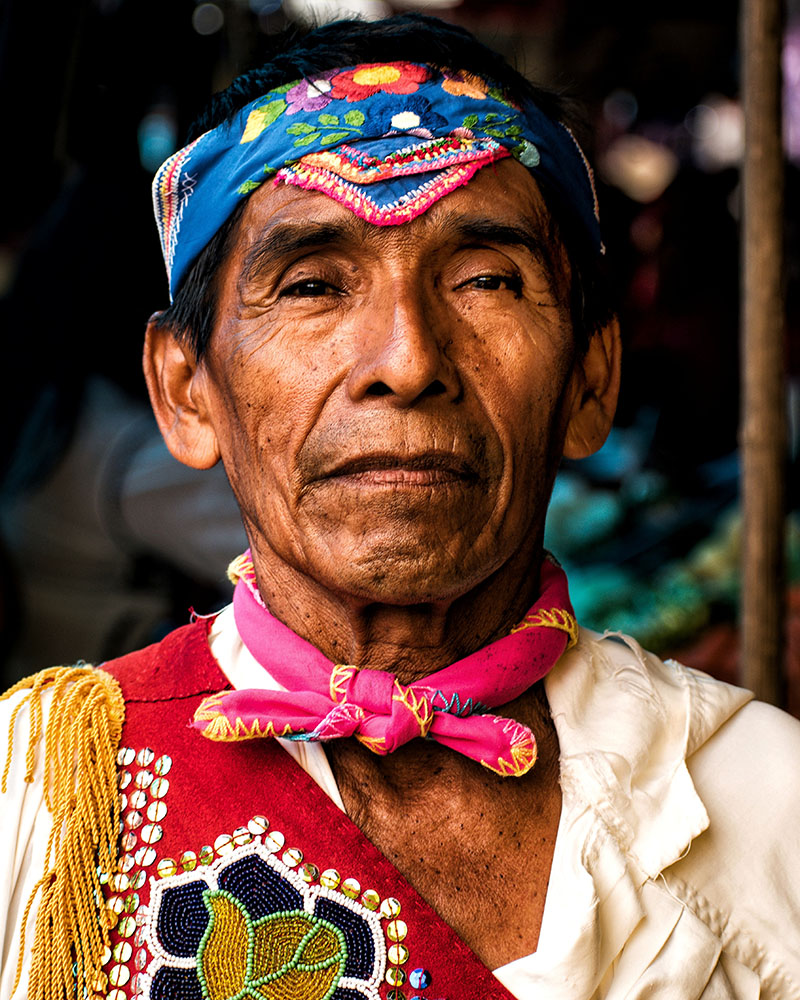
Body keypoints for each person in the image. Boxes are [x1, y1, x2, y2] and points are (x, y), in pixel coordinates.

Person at [2, 13, 799, 1000]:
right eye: (311, 285)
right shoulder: (42, 804)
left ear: (590, 378)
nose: (407, 360)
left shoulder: (764, 804)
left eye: (483, 278)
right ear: (184, 389)